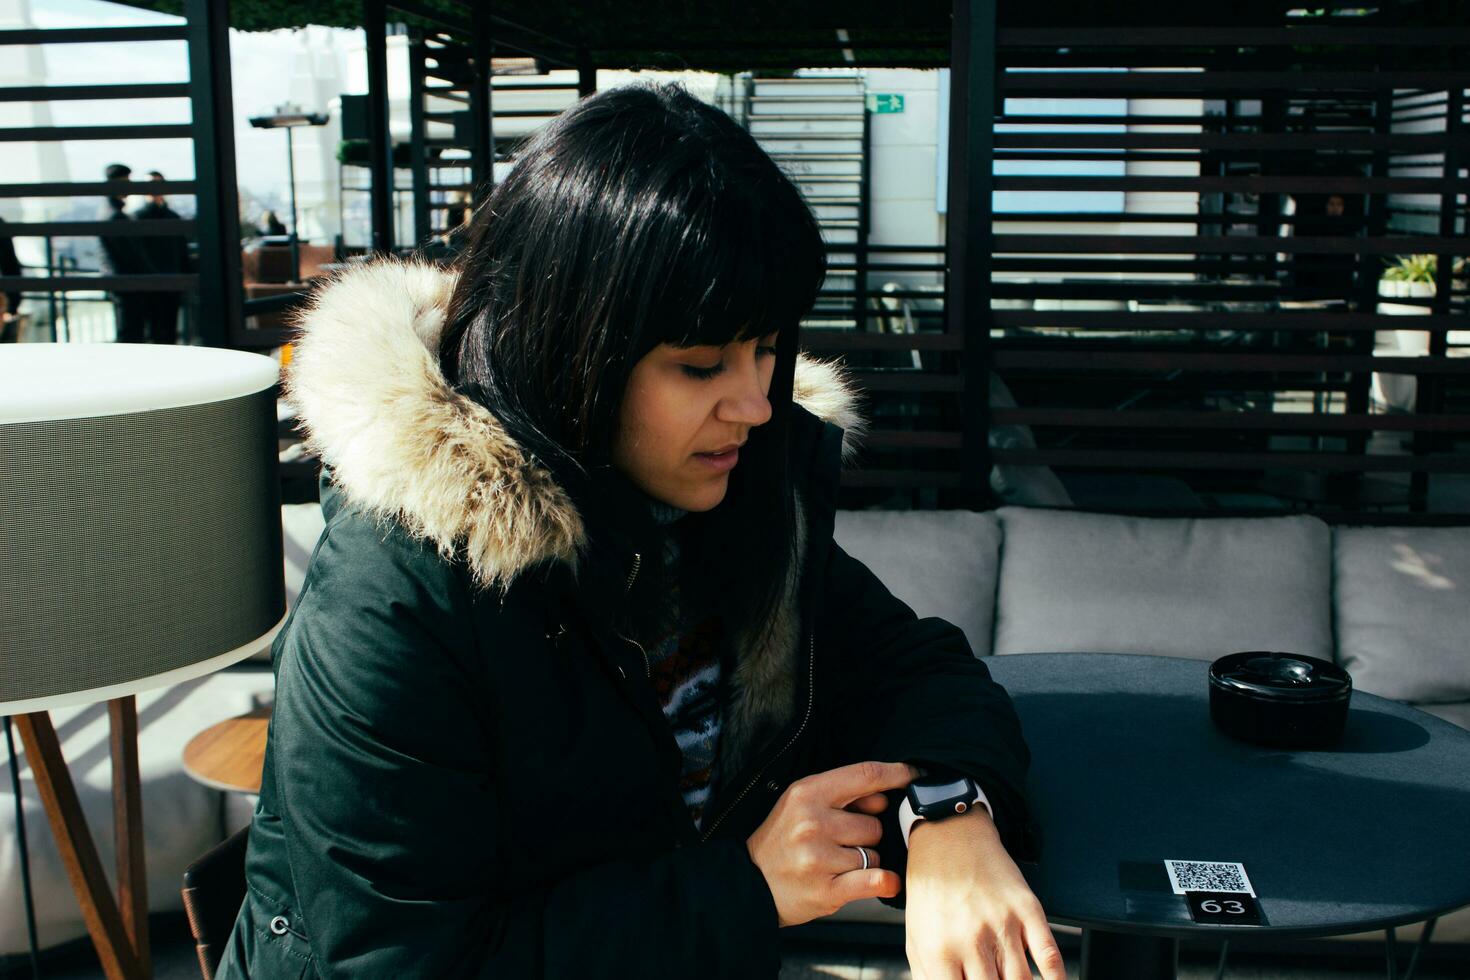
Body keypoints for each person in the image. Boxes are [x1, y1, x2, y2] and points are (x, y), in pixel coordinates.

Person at [216, 82, 1061, 980]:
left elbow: (913, 663)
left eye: (768, 349)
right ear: (569, 351)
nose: (756, 405)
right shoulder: (396, 592)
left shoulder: (724, 496)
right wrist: (741, 888)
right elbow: (398, 963)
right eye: (701, 366)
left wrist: (948, 813)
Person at [97, 163, 155, 343]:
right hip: (127, 284)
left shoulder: (110, 212)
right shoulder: (115, 215)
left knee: (129, 331)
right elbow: (130, 256)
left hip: (120, 283)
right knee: (131, 333)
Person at [130, 171, 189, 345]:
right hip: (151, 285)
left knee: (169, 331)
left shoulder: (172, 216)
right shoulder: (138, 218)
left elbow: (181, 251)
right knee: (157, 331)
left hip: (171, 282)